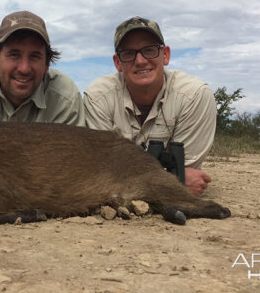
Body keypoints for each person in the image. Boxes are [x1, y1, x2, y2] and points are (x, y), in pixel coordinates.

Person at [83, 16, 217, 196]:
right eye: (129, 53)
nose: (140, 61)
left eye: (149, 50)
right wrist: (173, 181)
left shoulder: (195, 96)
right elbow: (100, 172)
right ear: (117, 63)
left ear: (165, 55)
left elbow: (188, 172)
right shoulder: (97, 97)